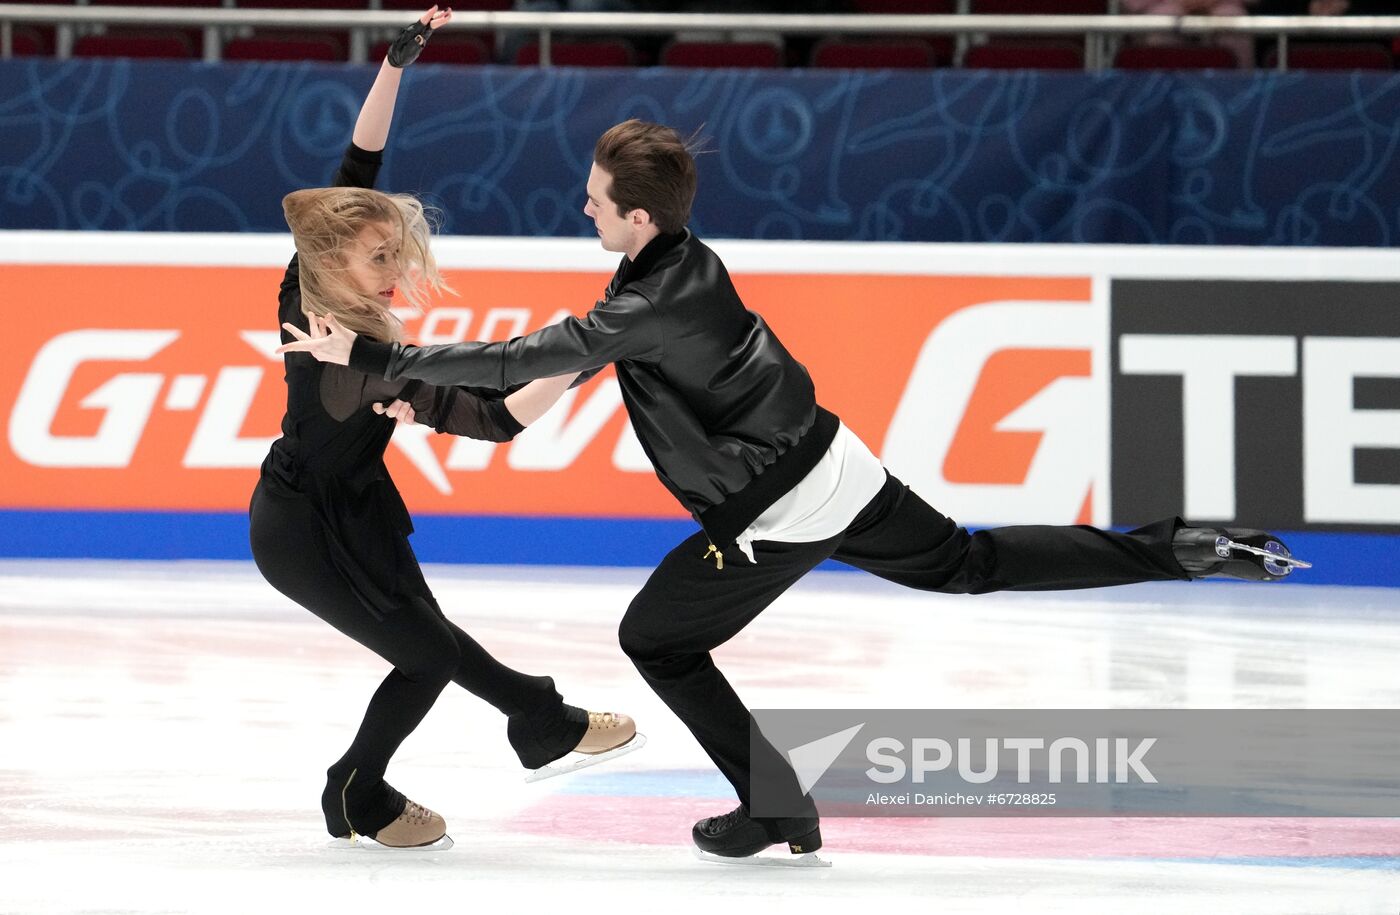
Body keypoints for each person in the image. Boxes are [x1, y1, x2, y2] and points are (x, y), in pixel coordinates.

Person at [277, 119, 1308, 861]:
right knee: (970, 563)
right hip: (837, 464)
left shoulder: (637, 305)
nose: (579, 205)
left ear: (632, 215)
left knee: (658, 641)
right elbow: (518, 395)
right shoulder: (683, 267)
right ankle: (1175, 545)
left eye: (592, 197)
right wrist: (428, 401)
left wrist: (388, 355)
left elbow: (517, 362)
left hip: (767, 513)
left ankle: (775, 806)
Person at [249, 8, 638, 850]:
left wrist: (395, 64)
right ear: (334, 266)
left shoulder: (319, 292)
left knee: (431, 639)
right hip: (306, 532)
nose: (396, 270)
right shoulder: (344, 353)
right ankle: (356, 788)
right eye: (378, 259)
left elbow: (359, 165)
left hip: (352, 509)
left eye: (396, 250)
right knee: (425, 656)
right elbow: (494, 415)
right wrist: (588, 352)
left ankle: (540, 717)